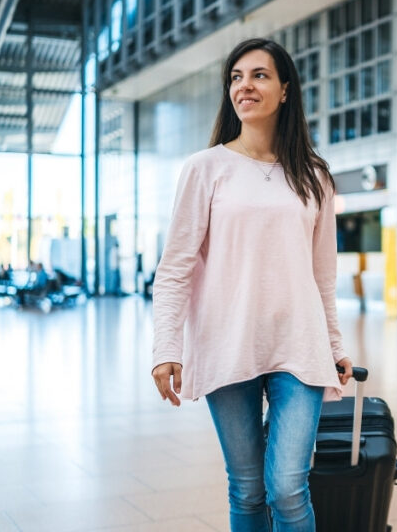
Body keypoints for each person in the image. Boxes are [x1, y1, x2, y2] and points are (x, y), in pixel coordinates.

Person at [150, 38, 354, 532]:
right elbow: (175, 266)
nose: (245, 85)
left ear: (285, 90)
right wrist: (166, 346)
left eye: (259, 75)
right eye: (237, 77)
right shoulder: (206, 168)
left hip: (299, 346)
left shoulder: (314, 176)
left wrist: (334, 344)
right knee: (246, 487)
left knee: (287, 487)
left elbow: (322, 275)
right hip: (226, 342)